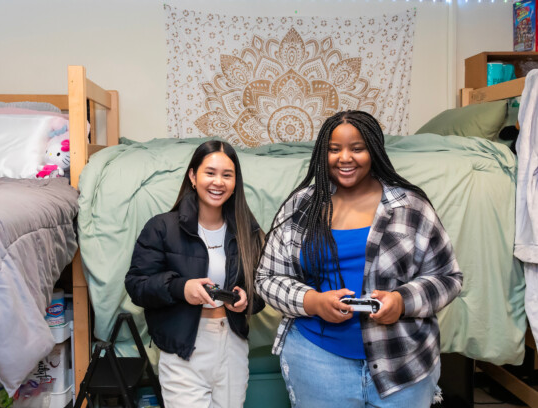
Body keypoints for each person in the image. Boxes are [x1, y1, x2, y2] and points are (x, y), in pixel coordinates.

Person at [255, 111, 463, 407]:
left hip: (403, 361)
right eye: (334, 149)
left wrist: (402, 301)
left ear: (374, 151)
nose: (345, 158)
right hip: (316, 360)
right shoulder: (301, 206)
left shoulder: (410, 205)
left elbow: (448, 278)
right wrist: (313, 301)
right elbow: (267, 278)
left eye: (357, 148)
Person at [125, 140, 265, 408]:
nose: (218, 182)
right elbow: (137, 285)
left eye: (227, 175)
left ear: (236, 182)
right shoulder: (161, 227)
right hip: (183, 349)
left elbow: (262, 290)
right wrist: (181, 288)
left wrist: (248, 299)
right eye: (210, 173)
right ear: (192, 176)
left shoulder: (248, 230)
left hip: (232, 344)